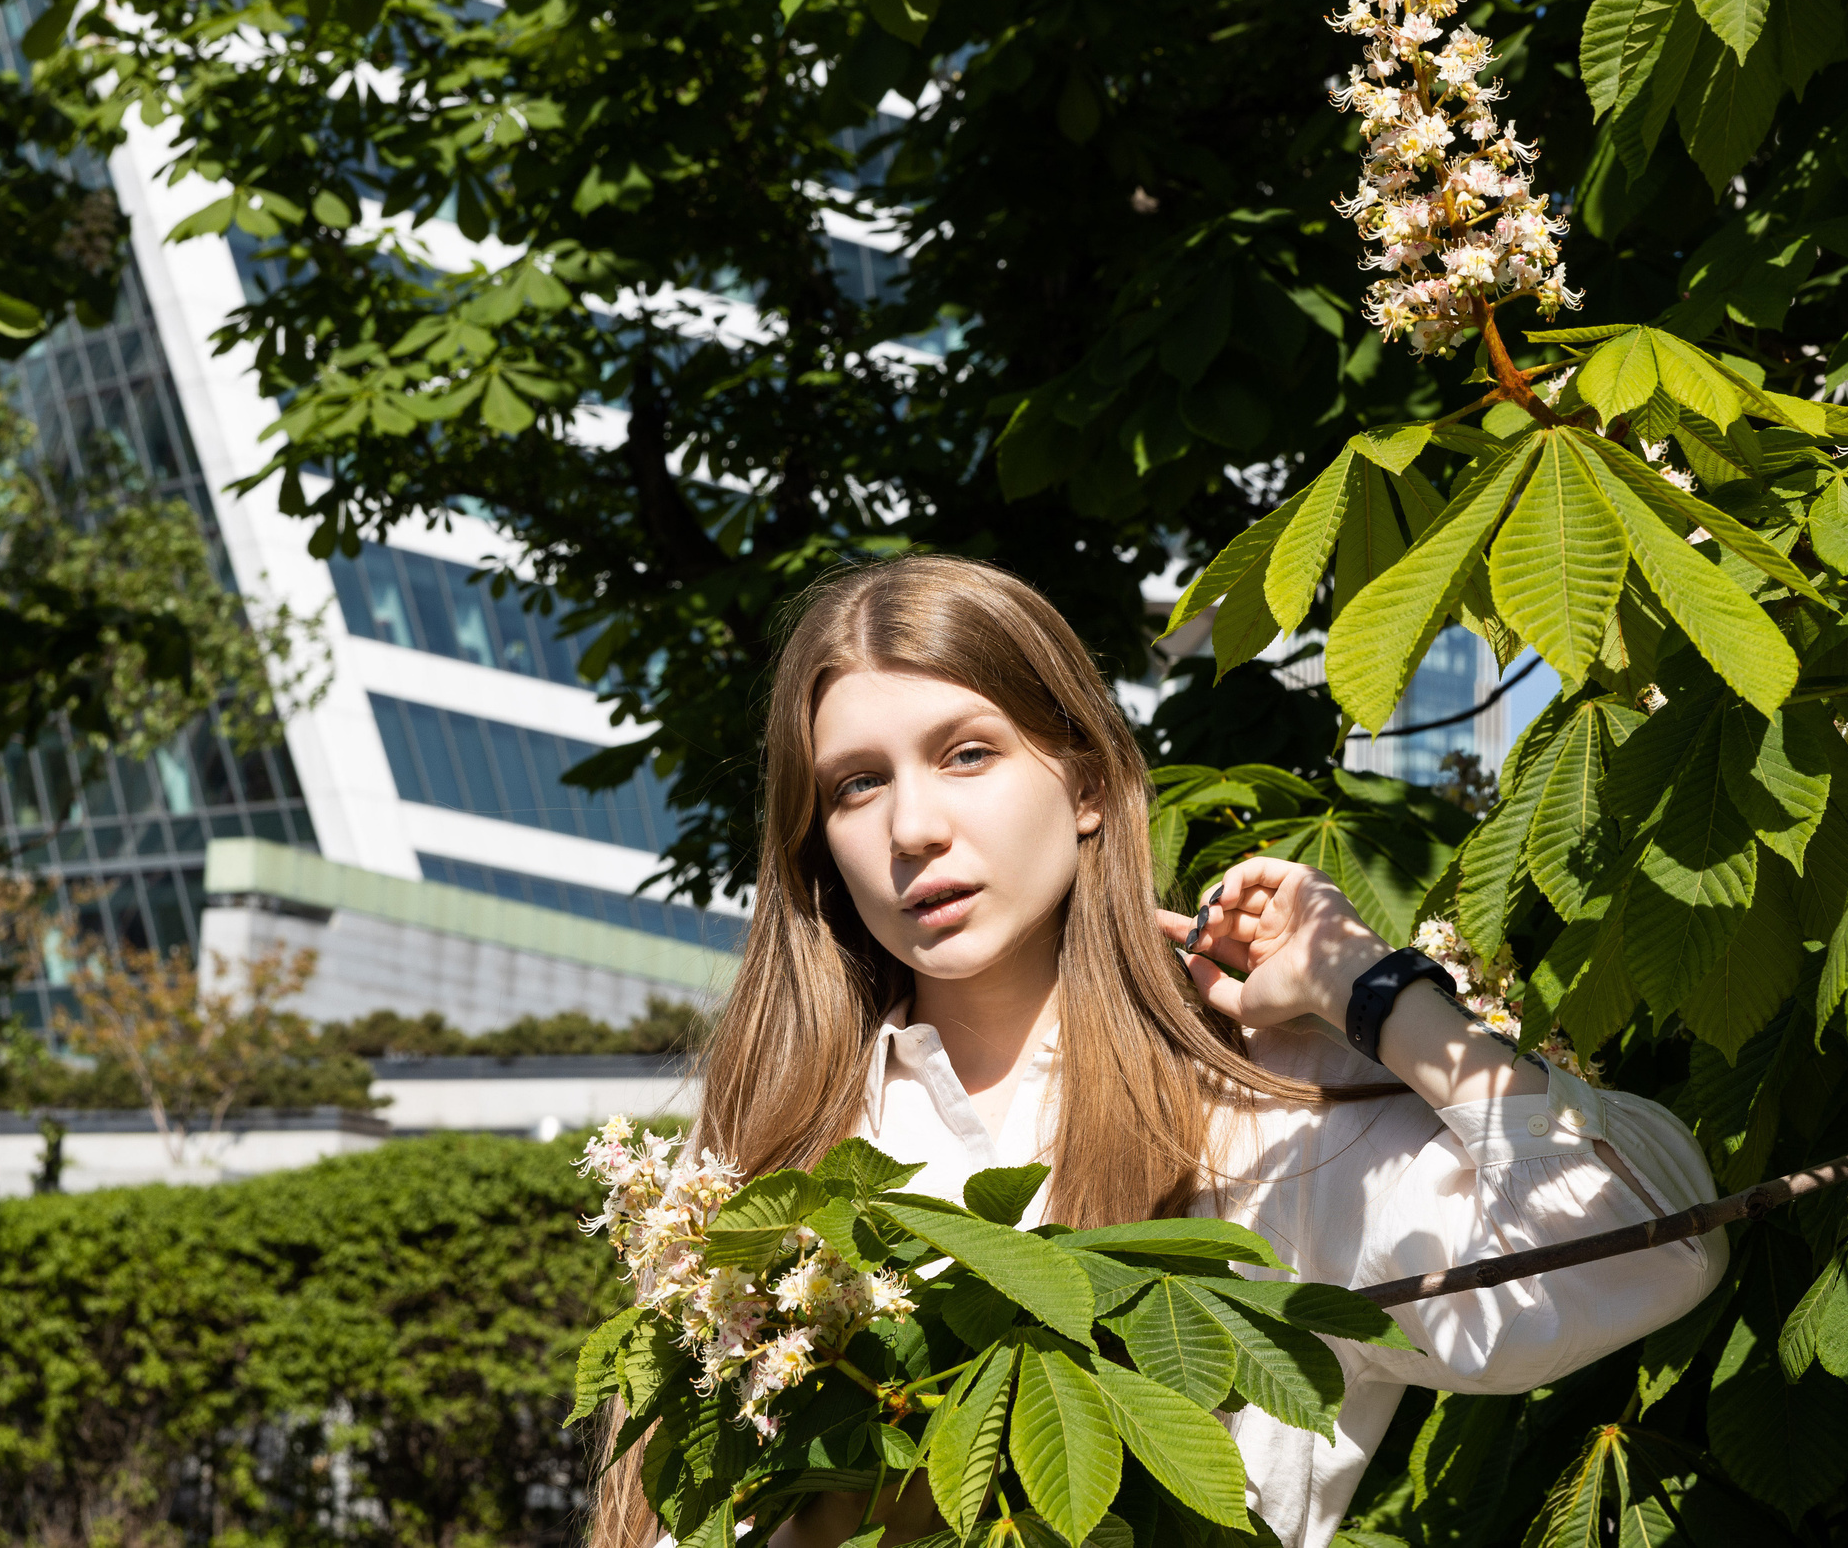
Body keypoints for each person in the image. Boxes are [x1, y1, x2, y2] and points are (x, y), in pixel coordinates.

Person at [593, 554, 1726, 1548]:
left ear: (1085, 784)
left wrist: (1376, 998)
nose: (911, 828)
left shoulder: (1267, 1108)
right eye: (856, 784)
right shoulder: (773, 1144)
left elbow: (1645, 1253)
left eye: (968, 753)